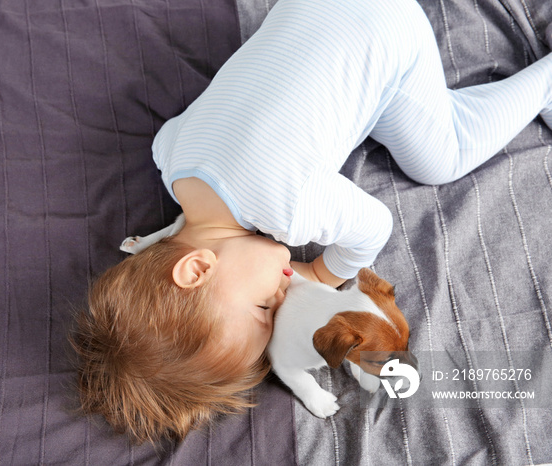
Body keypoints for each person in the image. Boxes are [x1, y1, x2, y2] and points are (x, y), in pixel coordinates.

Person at [72, 0, 552, 443]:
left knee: (441, 158)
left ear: (197, 269)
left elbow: (375, 227)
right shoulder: (170, 156)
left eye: (262, 308)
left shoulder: (289, 206)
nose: (280, 300)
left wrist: (324, 274)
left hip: (383, 27)